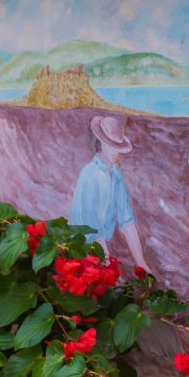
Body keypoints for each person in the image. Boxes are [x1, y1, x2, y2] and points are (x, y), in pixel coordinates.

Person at [69, 115, 151, 273]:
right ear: (101, 143)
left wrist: (141, 262)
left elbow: (126, 220)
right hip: (80, 248)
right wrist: (106, 263)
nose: (116, 152)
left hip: (101, 247)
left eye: (117, 147)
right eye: (111, 146)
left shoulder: (116, 174)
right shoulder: (89, 174)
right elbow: (92, 228)